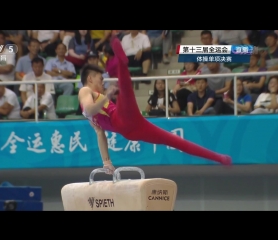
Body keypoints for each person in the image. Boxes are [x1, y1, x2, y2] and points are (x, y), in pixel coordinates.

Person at [78, 37, 232, 174]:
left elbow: (99, 130)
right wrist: (107, 162)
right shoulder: (85, 91)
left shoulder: (93, 109)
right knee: (125, 92)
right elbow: (95, 119)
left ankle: (218, 157)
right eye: (100, 79)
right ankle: (122, 65)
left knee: (174, 140)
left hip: (127, 125)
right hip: (124, 124)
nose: (103, 82)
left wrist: (106, 161)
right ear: (90, 79)